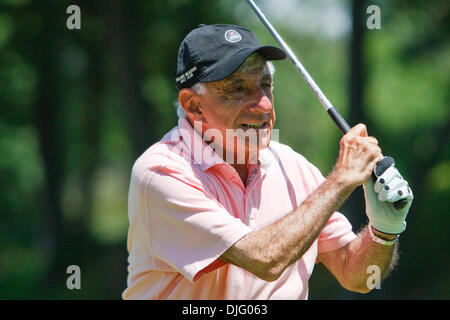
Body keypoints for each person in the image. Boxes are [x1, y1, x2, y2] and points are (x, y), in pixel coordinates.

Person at [122, 24, 413, 299]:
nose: (264, 105)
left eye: (265, 85)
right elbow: (264, 259)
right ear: (193, 106)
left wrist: (383, 231)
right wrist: (340, 180)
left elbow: (354, 274)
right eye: (238, 89)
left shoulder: (290, 164)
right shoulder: (161, 171)